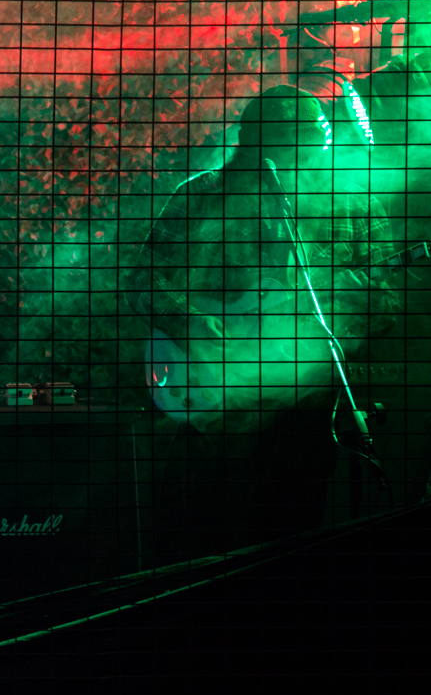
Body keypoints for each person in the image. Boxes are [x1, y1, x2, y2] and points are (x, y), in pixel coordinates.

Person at [126, 85, 398, 548]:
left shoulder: (354, 202)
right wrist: (191, 321)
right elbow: (141, 281)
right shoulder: (202, 195)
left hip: (307, 400)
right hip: (214, 396)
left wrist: (354, 307)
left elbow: (385, 304)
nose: (305, 152)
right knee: (206, 528)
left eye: (310, 139)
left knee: (294, 529)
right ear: (251, 141)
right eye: (280, 142)